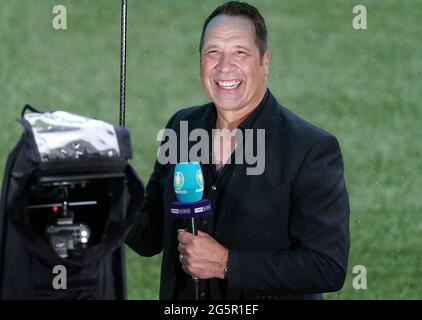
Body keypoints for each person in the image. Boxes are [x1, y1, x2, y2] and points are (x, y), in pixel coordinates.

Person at [127, 1, 350, 300]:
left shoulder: (311, 149)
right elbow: (150, 235)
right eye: (213, 52)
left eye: (240, 53)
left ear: (265, 62)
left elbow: (326, 267)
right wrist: (114, 196)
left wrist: (226, 263)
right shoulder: (182, 126)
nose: (224, 67)